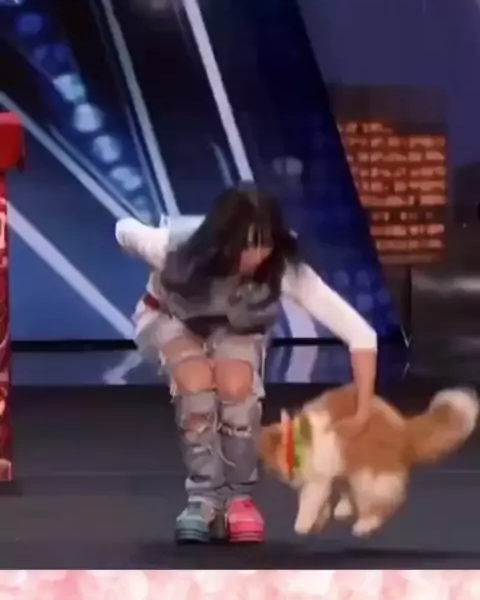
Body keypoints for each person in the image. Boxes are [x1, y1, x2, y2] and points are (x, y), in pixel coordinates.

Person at [115, 184, 378, 544]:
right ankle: (203, 500)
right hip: (170, 317)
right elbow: (124, 229)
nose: (255, 255)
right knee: (195, 382)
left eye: (264, 243)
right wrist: (140, 235)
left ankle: (238, 498)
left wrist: (363, 411)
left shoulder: (283, 270)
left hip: (237, 326)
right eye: (245, 244)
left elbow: (361, 335)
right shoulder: (173, 248)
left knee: (236, 387)